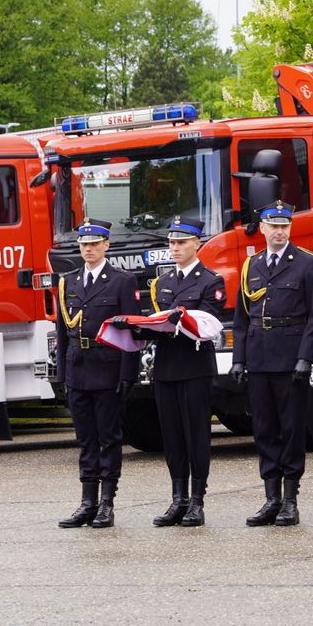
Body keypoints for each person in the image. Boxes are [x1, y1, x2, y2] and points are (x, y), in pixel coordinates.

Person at [231, 201, 313, 527]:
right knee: (265, 429)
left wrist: (305, 358)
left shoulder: (305, 264)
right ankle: (270, 498)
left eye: (285, 226)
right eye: (274, 225)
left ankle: (290, 499)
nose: (280, 231)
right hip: (258, 358)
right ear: (264, 228)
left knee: (291, 429)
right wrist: (239, 359)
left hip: (289, 359)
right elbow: (242, 319)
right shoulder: (251, 266)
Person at [141, 215, 227, 527]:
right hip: (166, 367)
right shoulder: (162, 284)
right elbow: (155, 320)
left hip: (194, 367)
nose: (175, 248)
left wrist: (179, 321)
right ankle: (177, 497)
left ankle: (197, 500)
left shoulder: (210, 281)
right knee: (173, 437)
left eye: (181, 242)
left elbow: (210, 324)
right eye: (172, 242)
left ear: (197, 244)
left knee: (196, 435)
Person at [56, 218, 140, 529]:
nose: (89, 249)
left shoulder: (121, 281)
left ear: (106, 245)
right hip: (78, 368)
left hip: (107, 368)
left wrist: (127, 374)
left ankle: (106, 503)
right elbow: (63, 332)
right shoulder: (70, 281)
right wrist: (63, 374)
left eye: (94, 244)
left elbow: (132, 331)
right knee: (85, 439)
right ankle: (87, 502)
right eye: (84, 244)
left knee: (108, 438)